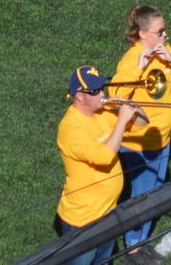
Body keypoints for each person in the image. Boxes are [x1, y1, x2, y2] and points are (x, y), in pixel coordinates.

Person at [111, 6, 171, 253]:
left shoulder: (165, 51)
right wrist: (137, 69)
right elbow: (116, 96)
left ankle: (137, 239)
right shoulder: (132, 60)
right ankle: (133, 246)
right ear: (142, 34)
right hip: (140, 142)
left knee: (154, 189)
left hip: (162, 137)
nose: (165, 36)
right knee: (143, 197)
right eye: (160, 32)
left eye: (165, 30)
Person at [56, 65, 139, 265]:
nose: (102, 93)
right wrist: (121, 121)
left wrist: (131, 104)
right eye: (95, 91)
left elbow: (142, 124)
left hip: (107, 212)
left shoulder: (102, 113)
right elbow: (104, 157)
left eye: (102, 87)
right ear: (79, 96)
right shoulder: (70, 129)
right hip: (82, 221)